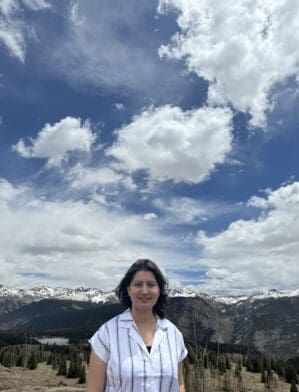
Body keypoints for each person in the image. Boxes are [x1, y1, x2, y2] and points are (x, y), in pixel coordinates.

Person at [87, 259, 187, 392]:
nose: (144, 291)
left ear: (159, 290)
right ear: (128, 290)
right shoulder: (107, 333)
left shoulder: (173, 333)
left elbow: (179, 384)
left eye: (151, 284)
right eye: (138, 284)